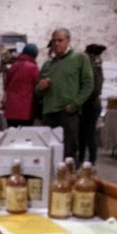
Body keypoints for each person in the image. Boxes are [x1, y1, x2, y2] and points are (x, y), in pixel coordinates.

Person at [36, 27, 93, 160]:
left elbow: (88, 84)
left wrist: (75, 104)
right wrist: (40, 87)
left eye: (60, 40)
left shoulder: (79, 58)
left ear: (68, 41)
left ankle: (68, 178)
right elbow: (37, 92)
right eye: (54, 40)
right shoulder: (47, 64)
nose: (56, 43)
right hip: (49, 114)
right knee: (48, 152)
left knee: (68, 152)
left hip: (67, 113)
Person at [78, 44, 106, 164]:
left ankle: (89, 159)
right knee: (87, 132)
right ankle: (87, 158)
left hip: (90, 103)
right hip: (93, 103)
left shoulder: (92, 66)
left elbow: (95, 89)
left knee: (87, 132)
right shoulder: (97, 65)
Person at [4, 43, 40, 128]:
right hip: (25, 110)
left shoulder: (13, 66)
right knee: (24, 137)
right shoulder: (33, 68)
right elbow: (38, 87)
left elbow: (6, 86)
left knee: (12, 136)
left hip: (11, 110)